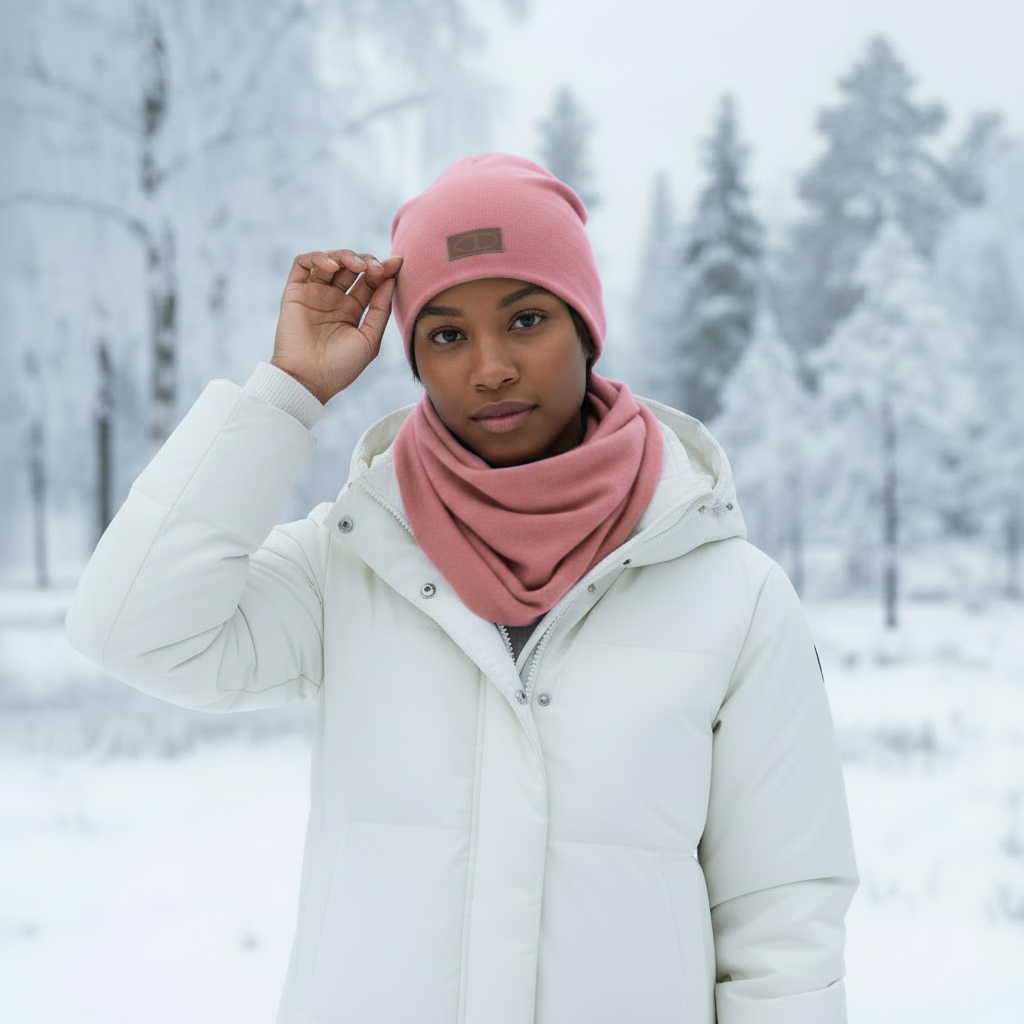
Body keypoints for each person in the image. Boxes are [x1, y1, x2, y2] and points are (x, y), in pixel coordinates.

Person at [66, 153, 857, 1024]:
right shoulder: (351, 561)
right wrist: (287, 394)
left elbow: (782, 923)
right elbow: (132, 628)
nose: (491, 368)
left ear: (586, 329)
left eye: (527, 319)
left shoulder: (733, 596)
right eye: (446, 335)